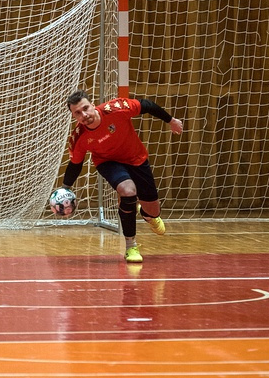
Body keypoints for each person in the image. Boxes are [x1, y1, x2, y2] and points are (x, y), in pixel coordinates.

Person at [61, 91, 183, 263]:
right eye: (78, 113)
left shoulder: (116, 108)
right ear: (74, 116)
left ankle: (146, 214)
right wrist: (65, 190)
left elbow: (147, 105)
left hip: (136, 158)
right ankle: (131, 246)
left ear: (93, 105)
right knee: (128, 191)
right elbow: (75, 164)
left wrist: (171, 121)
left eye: (85, 108)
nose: (84, 115)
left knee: (154, 211)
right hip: (108, 162)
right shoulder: (79, 136)